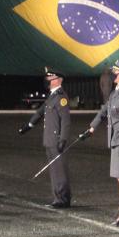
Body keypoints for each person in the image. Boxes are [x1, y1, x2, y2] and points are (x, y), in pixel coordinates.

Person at [85, 58, 119, 226]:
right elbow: (104, 110)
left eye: (116, 71)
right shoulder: (116, 92)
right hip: (116, 139)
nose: (113, 74)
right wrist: (92, 127)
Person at [18, 66, 71, 208]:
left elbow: (65, 121)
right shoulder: (52, 96)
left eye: (50, 78)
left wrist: (63, 139)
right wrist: (28, 125)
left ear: (58, 80)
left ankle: (63, 199)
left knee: (59, 170)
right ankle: (58, 197)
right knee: (54, 170)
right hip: (49, 139)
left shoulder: (61, 97)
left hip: (56, 139)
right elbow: (40, 113)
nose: (47, 80)